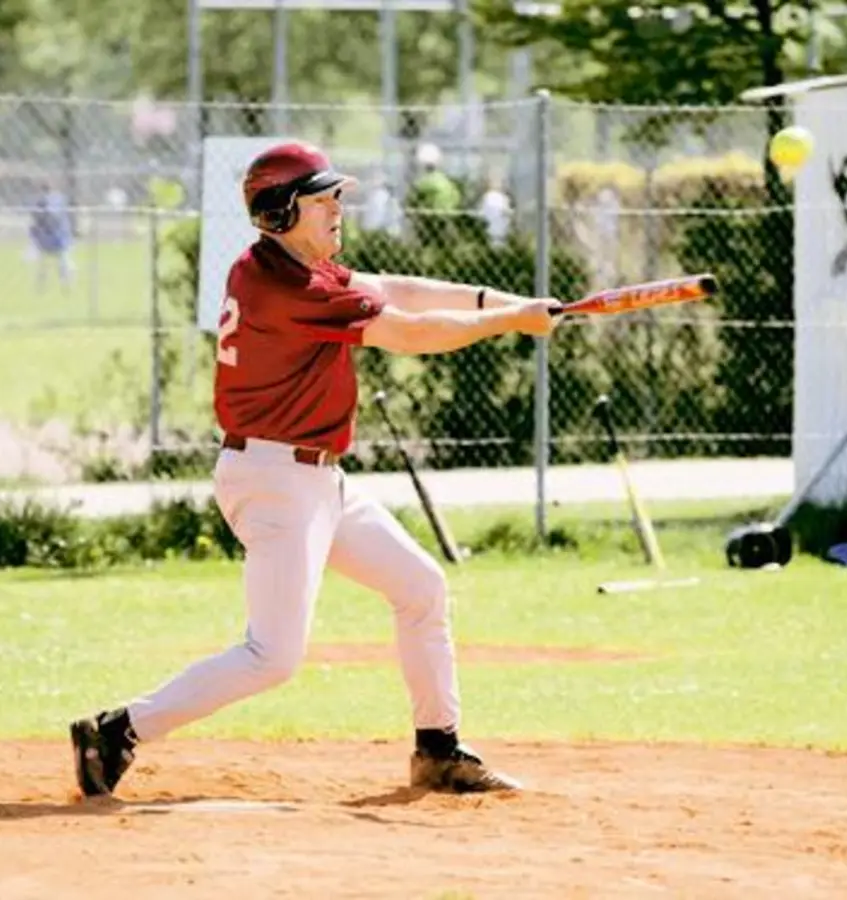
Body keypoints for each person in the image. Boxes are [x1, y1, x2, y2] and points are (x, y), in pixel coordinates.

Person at [70, 141, 560, 798]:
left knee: (420, 587)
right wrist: (510, 322)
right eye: (322, 196)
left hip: (313, 477)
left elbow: (398, 290)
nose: (337, 206)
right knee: (273, 657)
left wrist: (507, 301)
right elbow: (409, 331)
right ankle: (116, 731)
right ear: (280, 211)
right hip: (277, 481)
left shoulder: (287, 266)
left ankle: (438, 751)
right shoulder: (291, 287)